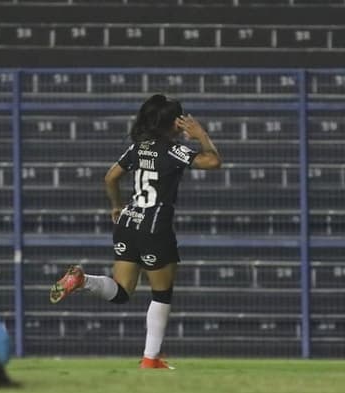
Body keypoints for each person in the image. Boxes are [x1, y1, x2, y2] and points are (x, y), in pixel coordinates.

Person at [49, 94, 222, 369]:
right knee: (162, 293)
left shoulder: (137, 149)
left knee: (122, 292)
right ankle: (151, 359)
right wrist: (201, 135)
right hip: (155, 228)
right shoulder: (172, 150)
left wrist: (116, 205)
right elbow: (213, 162)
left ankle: (83, 281)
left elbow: (110, 177)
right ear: (175, 123)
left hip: (128, 223)